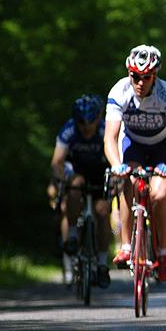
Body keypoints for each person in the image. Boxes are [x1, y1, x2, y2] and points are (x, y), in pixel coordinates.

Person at [105, 45, 166, 284]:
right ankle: (126, 245)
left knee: (160, 193)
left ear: (155, 75)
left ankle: (162, 252)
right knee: (128, 180)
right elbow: (110, 137)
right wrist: (116, 165)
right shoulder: (119, 91)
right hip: (134, 144)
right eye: (135, 76)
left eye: (146, 77)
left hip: (160, 146)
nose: (140, 82)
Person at [47, 94, 111, 288]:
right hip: (76, 169)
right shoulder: (69, 130)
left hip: (100, 171)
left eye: (90, 122)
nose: (86, 128)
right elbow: (57, 162)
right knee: (76, 185)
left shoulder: (105, 130)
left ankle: (102, 263)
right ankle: (73, 234)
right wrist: (60, 181)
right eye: (81, 123)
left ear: (98, 118)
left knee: (102, 212)